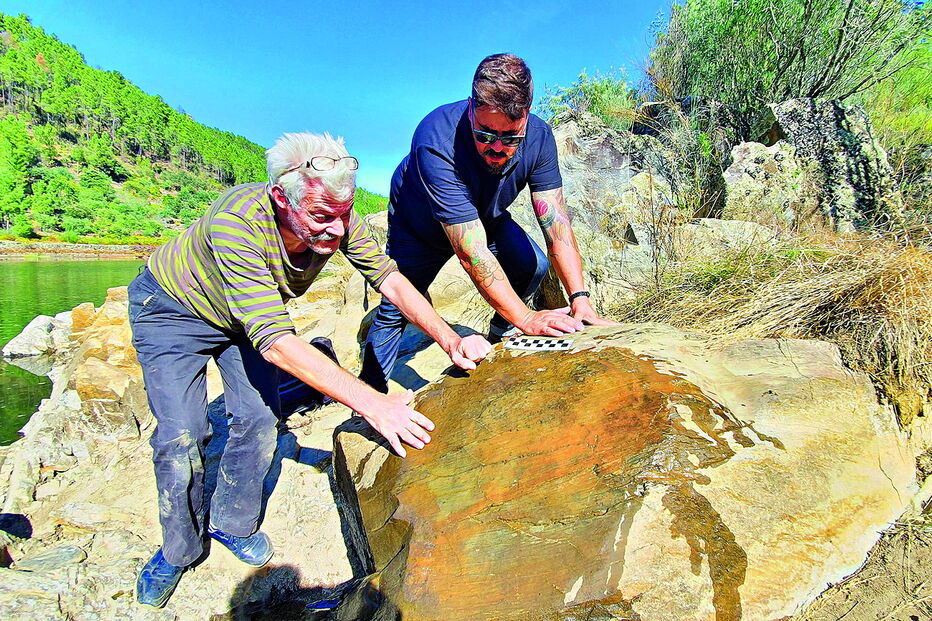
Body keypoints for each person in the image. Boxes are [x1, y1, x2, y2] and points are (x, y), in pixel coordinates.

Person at [128, 132, 491, 608]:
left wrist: (449, 337)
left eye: (343, 215)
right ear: (281, 196)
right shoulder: (237, 224)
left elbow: (390, 279)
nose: (337, 231)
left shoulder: (338, 214)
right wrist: (373, 402)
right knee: (183, 435)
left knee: (259, 419)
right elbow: (276, 342)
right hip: (174, 311)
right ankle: (178, 550)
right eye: (321, 217)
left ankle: (232, 523)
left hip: (243, 317)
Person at [360, 53, 615, 392]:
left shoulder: (539, 137)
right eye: (485, 134)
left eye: (510, 137)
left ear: (525, 116)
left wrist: (579, 298)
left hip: (485, 212)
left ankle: (499, 335)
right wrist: (526, 317)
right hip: (418, 226)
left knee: (532, 265)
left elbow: (556, 225)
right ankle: (368, 395)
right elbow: (472, 252)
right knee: (397, 307)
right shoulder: (435, 138)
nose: (496, 147)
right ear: (470, 108)